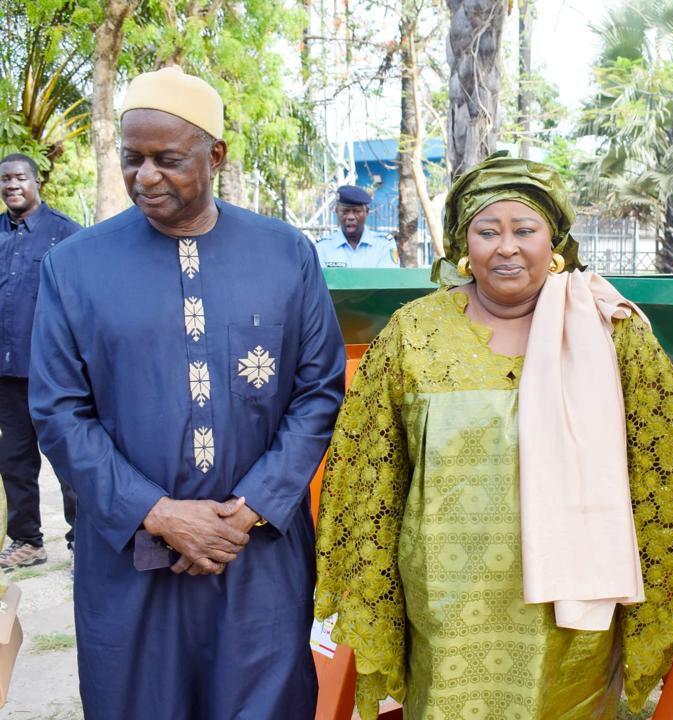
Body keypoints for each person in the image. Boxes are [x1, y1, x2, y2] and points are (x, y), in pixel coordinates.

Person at [314, 152, 673, 720]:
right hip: (448, 603)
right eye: (488, 231)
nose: (506, 247)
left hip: (575, 604)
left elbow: (662, 466)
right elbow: (371, 471)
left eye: (524, 229)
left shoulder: (611, 331)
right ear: (465, 243)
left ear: (552, 240)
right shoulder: (414, 333)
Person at [29, 66, 345, 719]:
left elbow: (318, 391)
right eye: (132, 159)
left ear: (216, 156)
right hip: (131, 557)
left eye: (167, 160)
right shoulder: (75, 265)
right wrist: (157, 511)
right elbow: (59, 409)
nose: (145, 177)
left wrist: (252, 506)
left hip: (256, 552)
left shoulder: (287, 254)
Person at [0, 153, 79, 569]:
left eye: (20, 178)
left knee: (68, 458)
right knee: (13, 460)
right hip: (7, 374)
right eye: (5, 179)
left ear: (35, 182)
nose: (12, 185)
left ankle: (82, 541)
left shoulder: (65, 234)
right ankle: (27, 540)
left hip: (54, 372)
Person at [315, 185, 399, 268]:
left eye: (357, 211)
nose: (350, 217)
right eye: (345, 211)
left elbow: (387, 279)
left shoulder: (384, 245)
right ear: (337, 211)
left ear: (367, 212)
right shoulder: (322, 247)